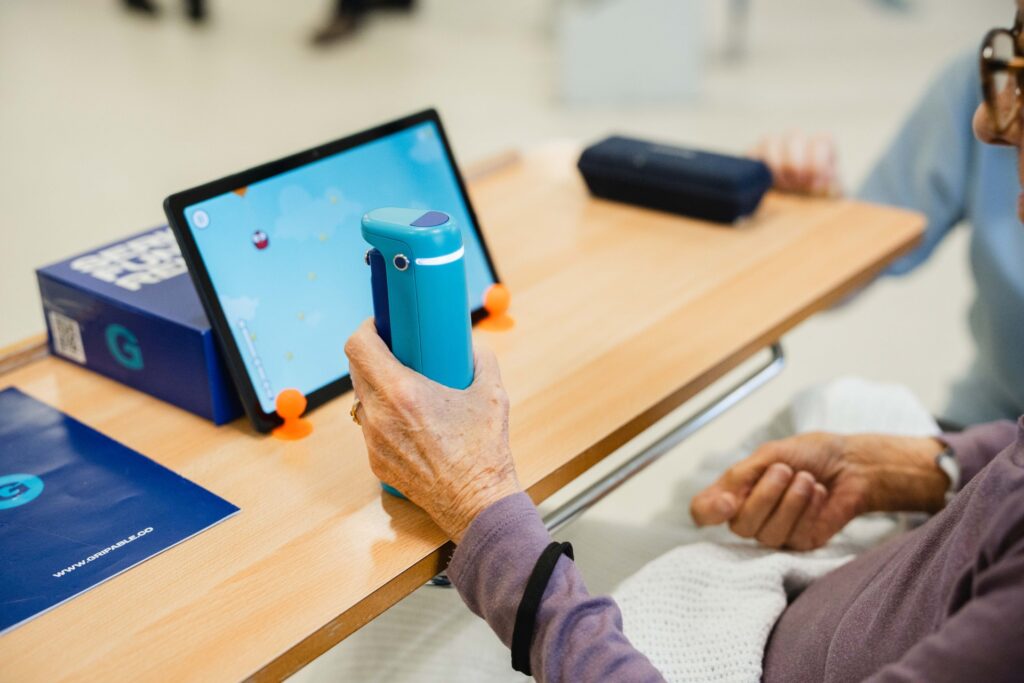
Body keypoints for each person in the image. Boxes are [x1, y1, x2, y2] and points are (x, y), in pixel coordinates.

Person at [343, 6, 1024, 679]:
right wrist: (927, 467)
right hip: (850, 585)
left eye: (1022, 72)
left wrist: (484, 506)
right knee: (836, 406)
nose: (987, 122)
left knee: (389, 643)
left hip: (746, 650)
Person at [754, 50, 1024, 426]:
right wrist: (802, 225)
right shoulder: (981, 80)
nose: (988, 123)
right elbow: (845, 266)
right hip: (990, 417)